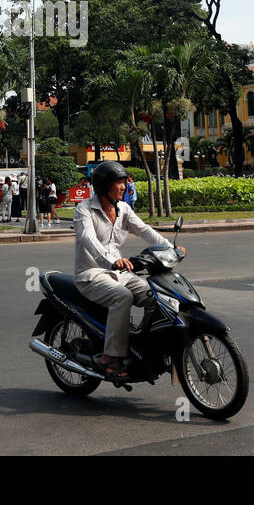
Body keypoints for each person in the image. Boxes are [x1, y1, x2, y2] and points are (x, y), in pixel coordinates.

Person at [74, 160, 183, 381]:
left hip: (120, 273)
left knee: (156, 296)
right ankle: (110, 357)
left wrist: (170, 249)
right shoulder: (84, 209)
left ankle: (145, 346)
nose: (124, 186)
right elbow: (88, 239)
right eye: (119, 183)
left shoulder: (123, 209)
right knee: (122, 297)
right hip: (92, 274)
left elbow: (144, 230)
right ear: (105, 185)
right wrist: (111, 262)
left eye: (125, 182)